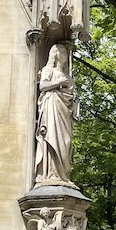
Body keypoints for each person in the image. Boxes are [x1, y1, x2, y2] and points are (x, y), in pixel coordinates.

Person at [35, 43, 74, 183]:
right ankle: (51, 173)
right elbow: (43, 85)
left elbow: (71, 96)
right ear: (55, 54)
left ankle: (62, 174)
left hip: (64, 112)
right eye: (62, 51)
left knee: (65, 141)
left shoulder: (68, 77)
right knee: (52, 137)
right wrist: (58, 83)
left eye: (65, 52)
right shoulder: (48, 70)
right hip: (51, 105)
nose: (64, 54)